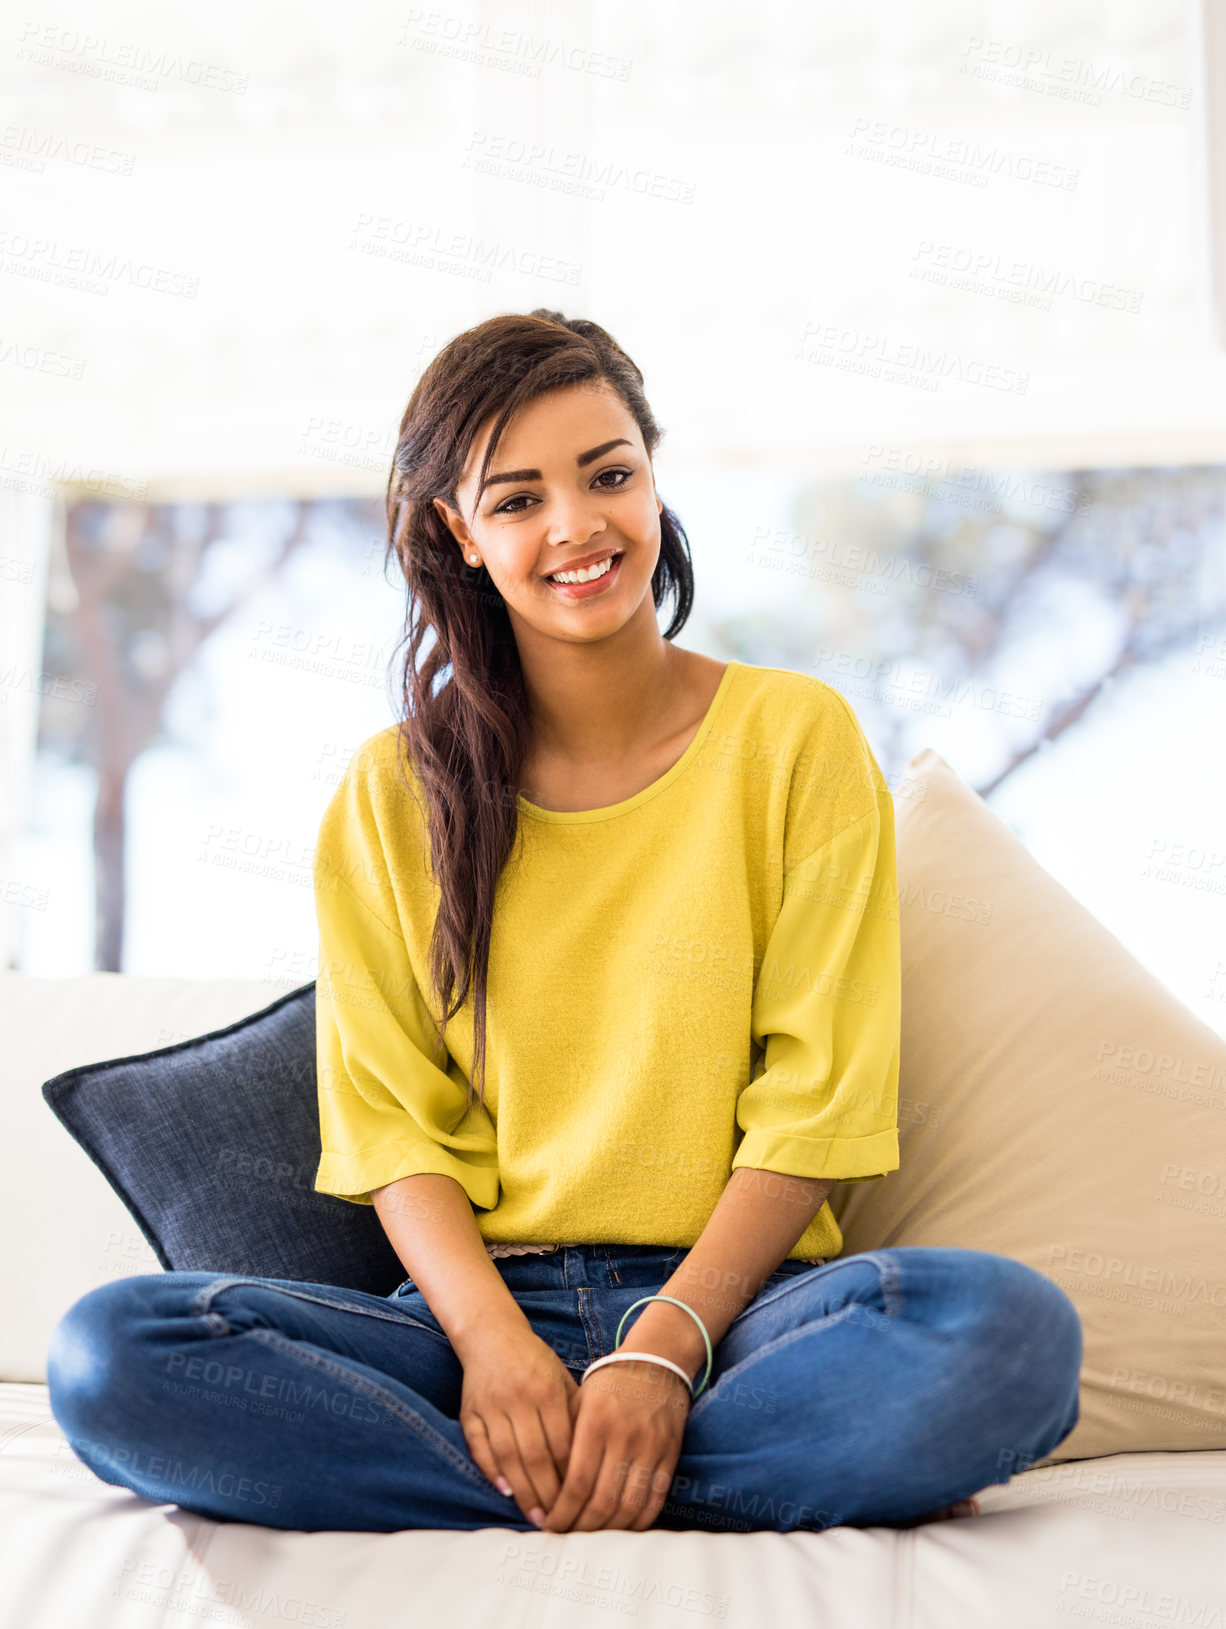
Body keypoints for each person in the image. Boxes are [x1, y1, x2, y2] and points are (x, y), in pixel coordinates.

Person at [45, 310, 1082, 1537]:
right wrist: (492, 1349)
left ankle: (558, 1474)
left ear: (652, 478)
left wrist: (663, 1352)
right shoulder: (392, 795)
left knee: (1007, 1338)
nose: (576, 527)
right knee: (113, 1356)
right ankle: (663, 1473)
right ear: (459, 534)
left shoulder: (791, 739)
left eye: (608, 476)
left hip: (743, 1318)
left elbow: (819, 1099)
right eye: (518, 498)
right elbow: (388, 1125)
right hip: (478, 1320)